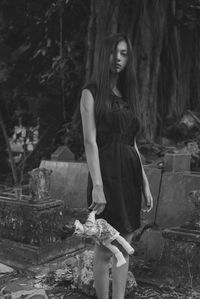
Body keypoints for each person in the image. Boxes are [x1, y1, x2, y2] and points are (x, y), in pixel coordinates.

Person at [80, 33, 153, 299]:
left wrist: (145, 182)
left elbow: (132, 143)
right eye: (114, 52)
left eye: (124, 54)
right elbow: (90, 141)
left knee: (124, 245)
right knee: (104, 247)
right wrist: (97, 186)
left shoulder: (127, 95)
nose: (119, 59)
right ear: (104, 54)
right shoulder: (91, 92)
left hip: (130, 175)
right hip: (106, 175)